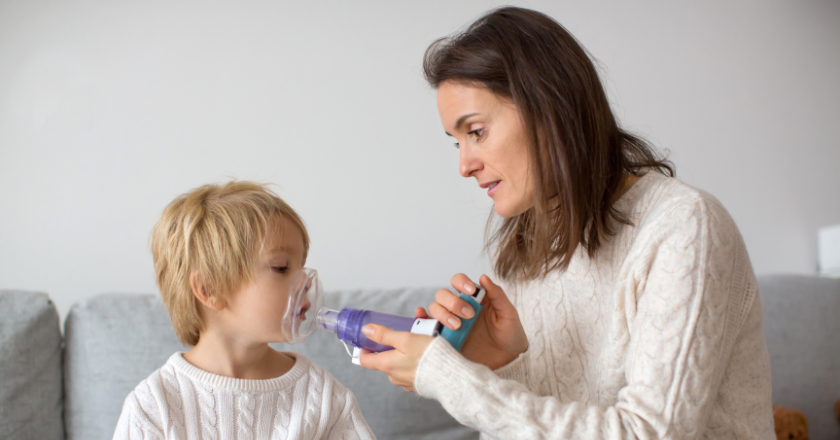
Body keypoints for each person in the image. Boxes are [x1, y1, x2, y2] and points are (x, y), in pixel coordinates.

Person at [358, 7, 774, 439]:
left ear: (548, 108)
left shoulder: (684, 228)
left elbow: (649, 433)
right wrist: (496, 365)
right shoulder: (522, 252)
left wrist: (451, 379)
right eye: (456, 142)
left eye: (476, 132)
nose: (464, 165)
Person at [113, 181, 374, 439]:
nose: (305, 282)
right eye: (281, 268)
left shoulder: (324, 398)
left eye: (302, 266)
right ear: (210, 289)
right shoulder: (153, 407)